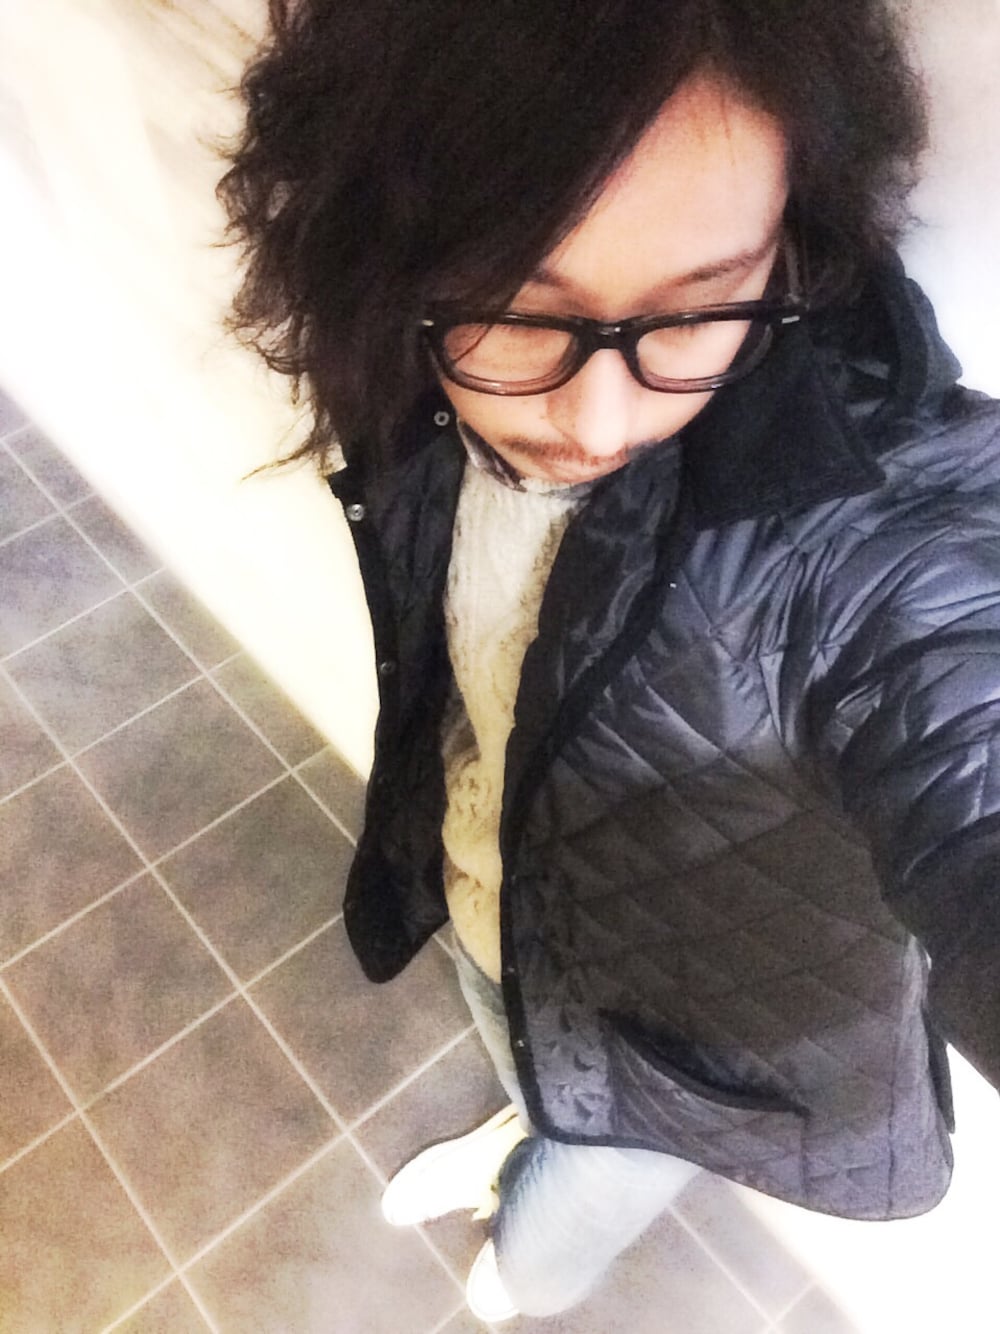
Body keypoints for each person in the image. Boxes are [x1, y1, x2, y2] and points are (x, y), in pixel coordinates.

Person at [219, 0, 1000, 1322]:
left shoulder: (870, 517)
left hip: (673, 1061)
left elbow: (950, 678)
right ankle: (530, 1115)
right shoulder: (418, 377)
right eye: (520, 308)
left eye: (697, 310)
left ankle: (533, 1253)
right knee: (527, 1056)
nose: (597, 417)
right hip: (494, 907)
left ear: (792, 244)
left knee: (570, 1201)